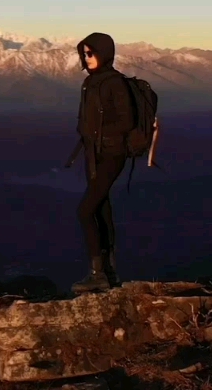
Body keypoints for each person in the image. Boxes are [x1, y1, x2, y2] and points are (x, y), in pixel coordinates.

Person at [70, 32, 134, 293]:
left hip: (110, 154)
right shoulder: (90, 82)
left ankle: (98, 273)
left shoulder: (114, 83)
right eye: (84, 53)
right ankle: (109, 272)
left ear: (104, 52)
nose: (87, 58)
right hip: (92, 155)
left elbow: (126, 120)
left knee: (85, 210)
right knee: (101, 210)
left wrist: (101, 137)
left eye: (91, 52)